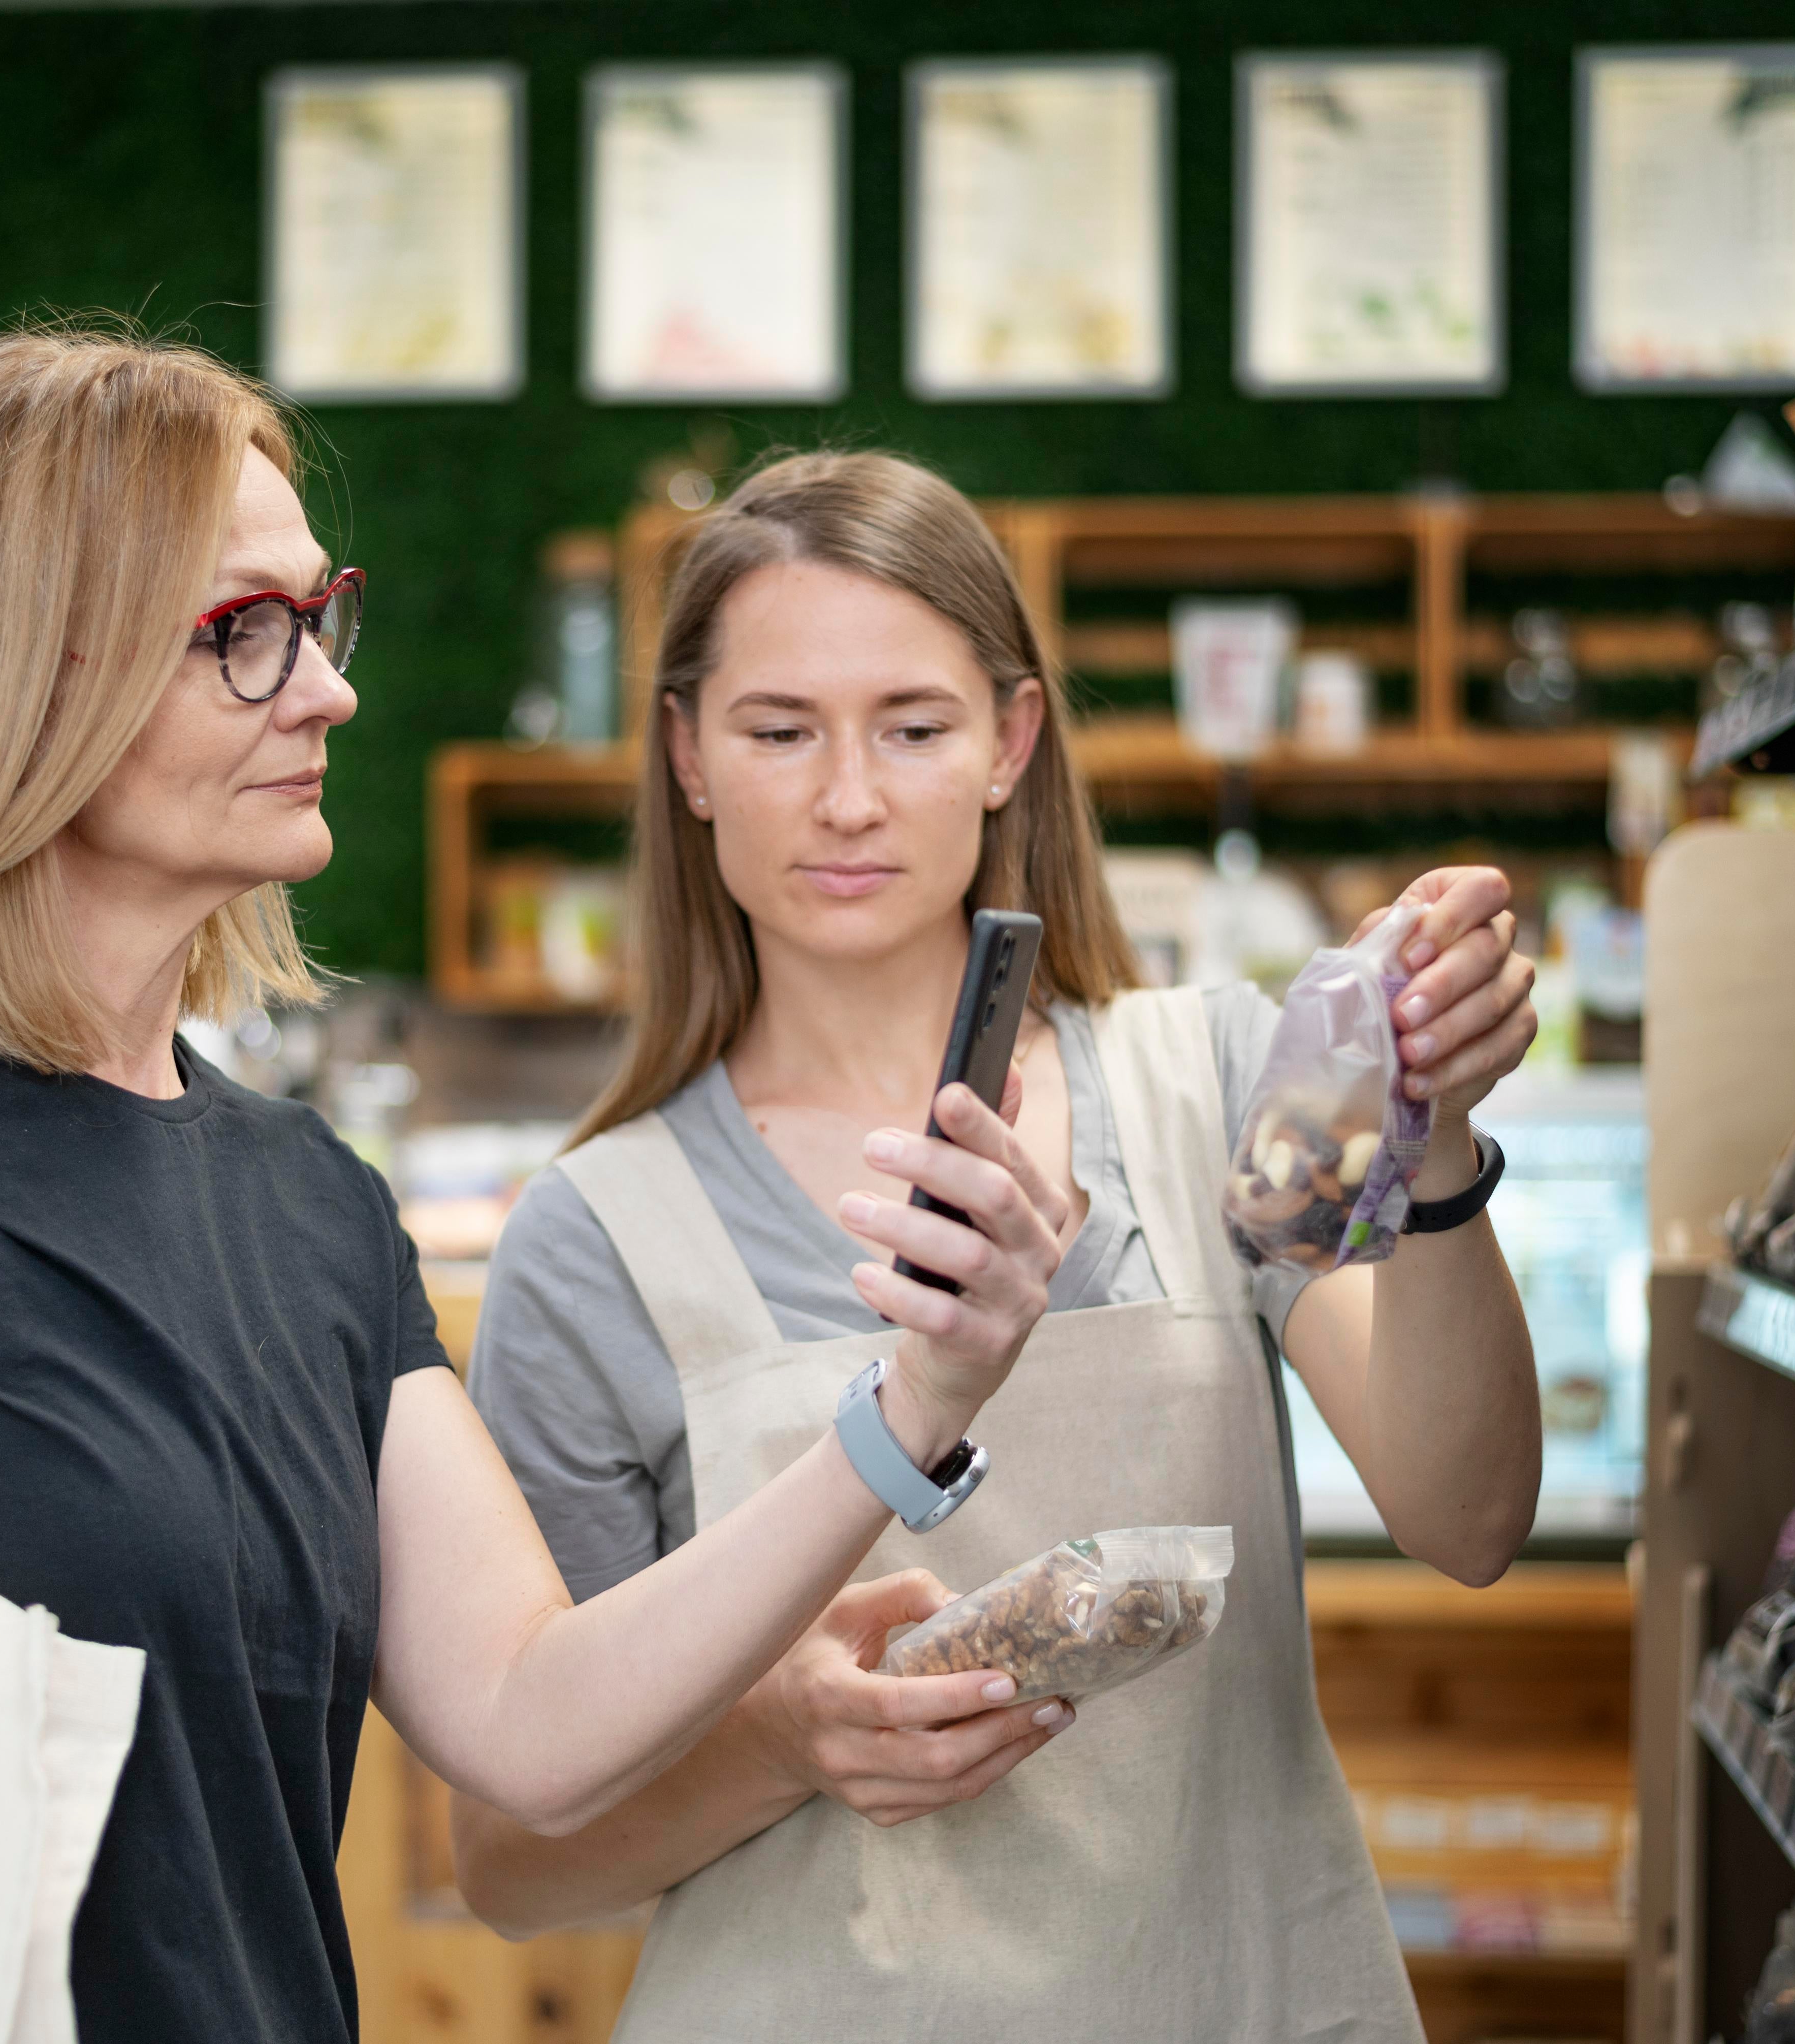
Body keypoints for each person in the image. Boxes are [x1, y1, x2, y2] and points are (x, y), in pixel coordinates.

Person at [0, 337, 1078, 2044]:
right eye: (240, 636)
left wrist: (917, 1404)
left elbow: (530, 1717)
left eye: (317, 613)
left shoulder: (311, 1204)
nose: (330, 691)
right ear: (20, 678)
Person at [456, 451, 1545, 2041]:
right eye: (778, 732)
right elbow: (511, 1862)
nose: (848, 797)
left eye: (913, 726)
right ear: (687, 754)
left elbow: (1470, 1516)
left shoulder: (1219, 1083)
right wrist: (780, 1745)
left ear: (1009, 742)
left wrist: (1434, 1134)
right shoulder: (594, 1241)